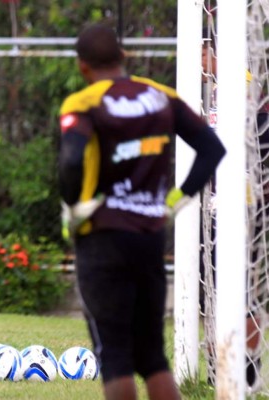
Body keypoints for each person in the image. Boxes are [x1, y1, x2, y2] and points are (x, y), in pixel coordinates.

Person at [59, 24, 225, 400]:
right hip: (150, 235)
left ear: (83, 67)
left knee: (114, 353)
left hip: (102, 236)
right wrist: (176, 200)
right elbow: (212, 149)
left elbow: (71, 161)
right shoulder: (160, 96)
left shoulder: (84, 103)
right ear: (123, 56)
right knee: (152, 356)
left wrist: (74, 207)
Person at [200, 26, 265, 391]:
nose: (199, 62)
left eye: (202, 52)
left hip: (241, 204)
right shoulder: (212, 89)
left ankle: (248, 372)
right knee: (216, 290)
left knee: (241, 293)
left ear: (213, 51)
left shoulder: (241, 83)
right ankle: (218, 368)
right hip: (215, 203)